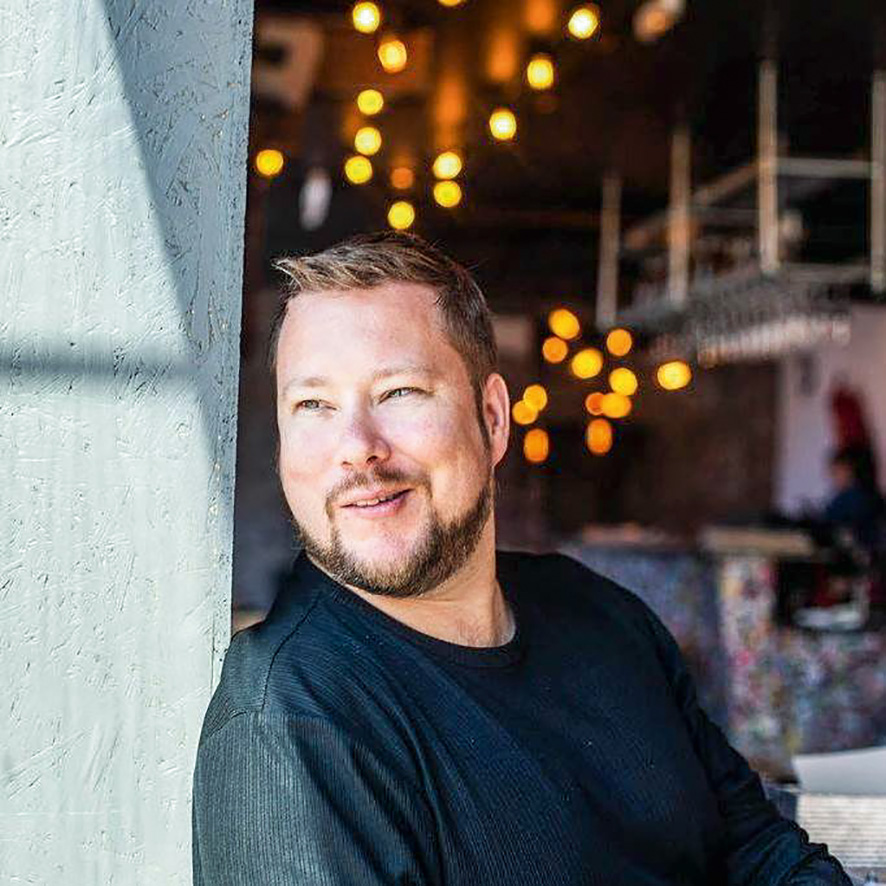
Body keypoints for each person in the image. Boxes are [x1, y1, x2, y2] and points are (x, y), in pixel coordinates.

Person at [192, 232, 850, 885]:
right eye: (313, 405)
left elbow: (764, 851)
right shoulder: (291, 722)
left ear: (493, 418)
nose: (357, 447)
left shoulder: (604, 617)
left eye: (399, 392)